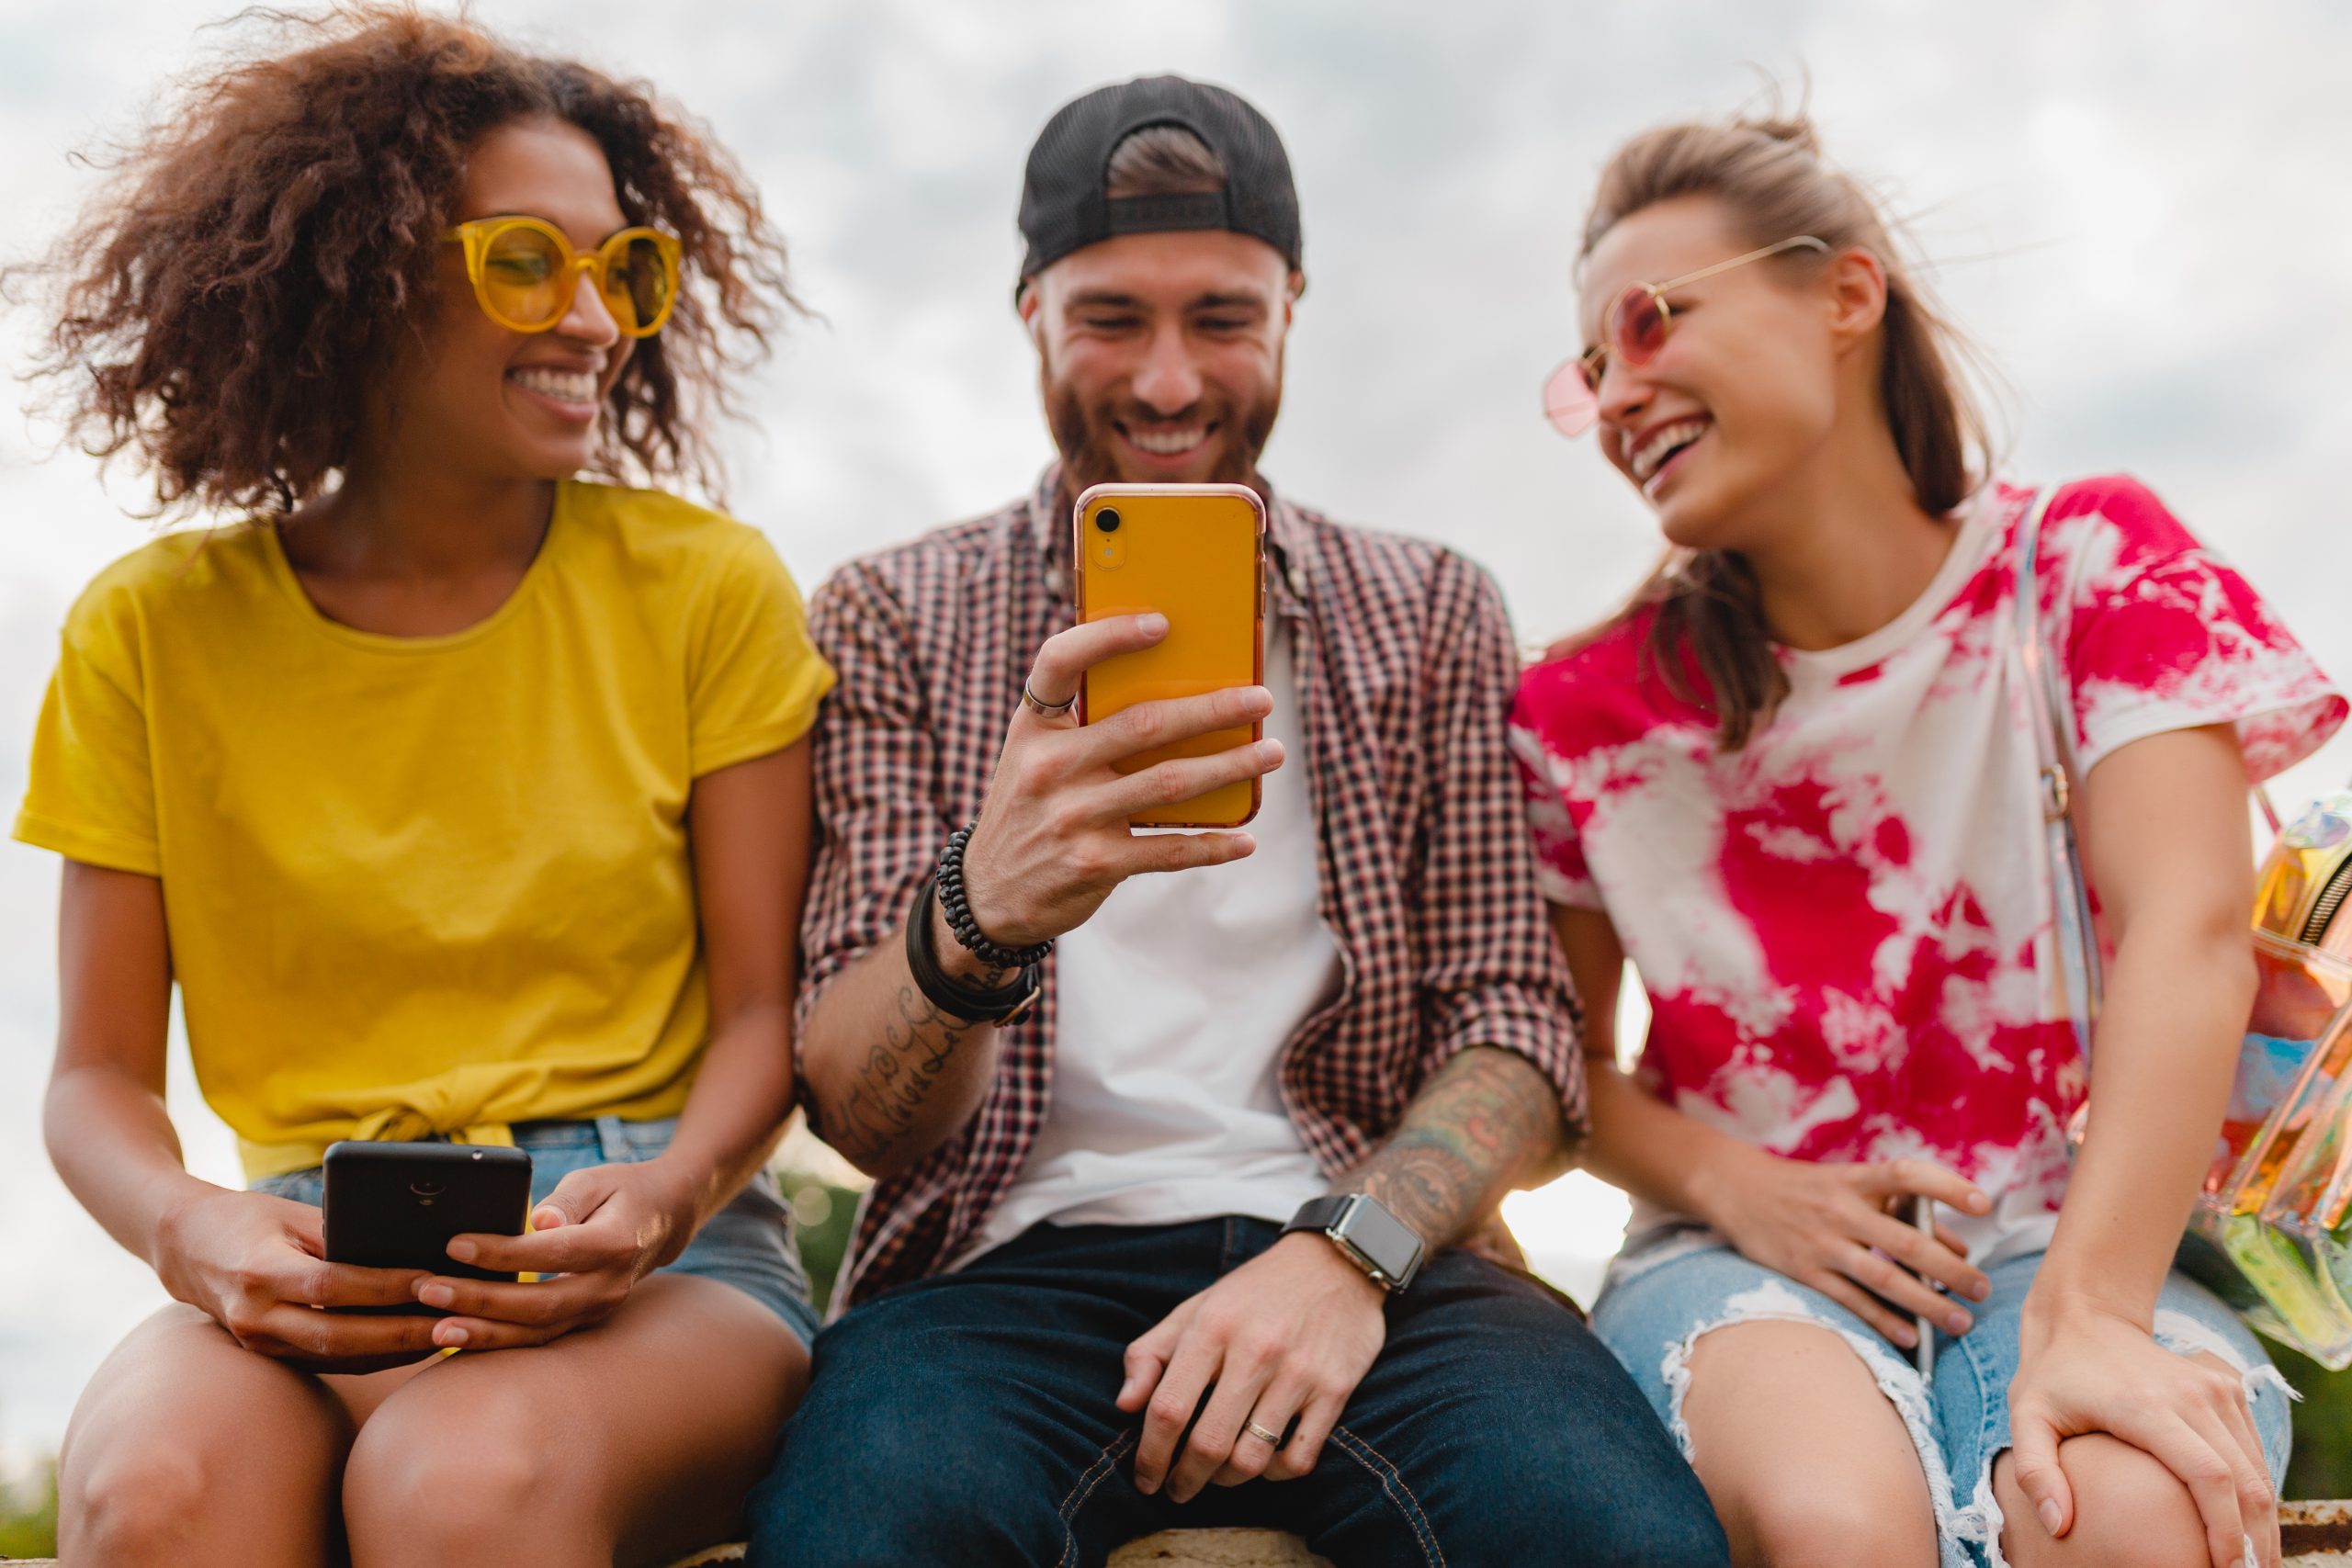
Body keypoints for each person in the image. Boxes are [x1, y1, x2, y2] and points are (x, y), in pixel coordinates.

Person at [748, 74, 1730, 1568]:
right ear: (1029, 313)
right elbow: (858, 1112)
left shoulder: (1432, 607)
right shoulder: (896, 611)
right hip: (993, 1271)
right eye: (1109, 319)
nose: (1162, 382)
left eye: (1219, 317)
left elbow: (1513, 1026)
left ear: (1290, 310)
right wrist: (982, 909)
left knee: (1621, 1545)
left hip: (1382, 1261)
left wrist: (1351, 1253)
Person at [13, 10, 831, 1564]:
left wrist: (660, 1198)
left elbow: (758, 1023)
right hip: (307, 1248)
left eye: (623, 270)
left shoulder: (704, 593)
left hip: (655, 1254)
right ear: (362, 276)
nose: (595, 317)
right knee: (149, 1497)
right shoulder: (149, 632)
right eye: (531, 262)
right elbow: (96, 1080)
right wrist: (195, 1232)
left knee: (459, 1484)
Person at [1511, 105, 2344, 1568]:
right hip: (1737, 1259)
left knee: (2130, 1519)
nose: (1621, 390)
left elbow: (2189, 933)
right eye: (1591, 370)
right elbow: (1561, 1067)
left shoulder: (2086, 566)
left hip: (2089, 1241)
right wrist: (1745, 1191)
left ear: (1843, 293)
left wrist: (2089, 1315)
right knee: (1841, 1522)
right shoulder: (1582, 715)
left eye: (1651, 324)